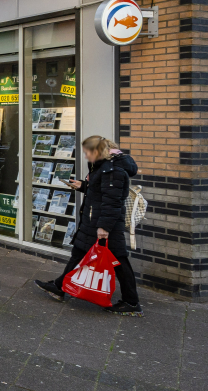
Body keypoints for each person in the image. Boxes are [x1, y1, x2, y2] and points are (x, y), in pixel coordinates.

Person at [36, 135, 142, 316]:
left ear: (97, 152)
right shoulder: (104, 166)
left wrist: (104, 228)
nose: (85, 157)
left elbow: (112, 202)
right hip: (95, 220)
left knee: (119, 262)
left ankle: (131, 302)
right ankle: (59, 287)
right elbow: (102, 191)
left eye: (87, 153)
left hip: (104, 224)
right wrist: (84, 186)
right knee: (79, 252)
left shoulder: (113, 170)